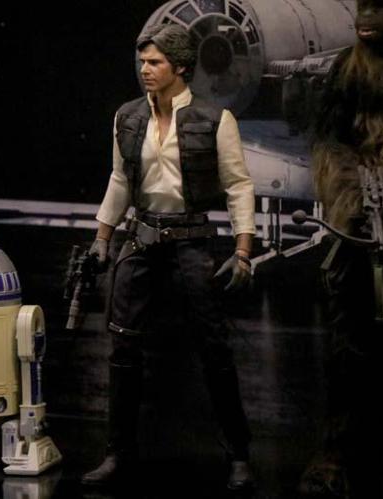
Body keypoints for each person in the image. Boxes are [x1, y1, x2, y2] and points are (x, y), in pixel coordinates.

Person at [80, 24, 256, 490]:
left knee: (214, 347)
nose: (145, 70)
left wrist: (243, 250)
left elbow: (238, 185)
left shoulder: (214, 119)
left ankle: (239, 455)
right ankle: (118, 453)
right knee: (123, 348)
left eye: (155, 62)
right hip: (141, 237)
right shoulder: (128, 117)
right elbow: (120, 179)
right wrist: (102, 238)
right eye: (142, 62)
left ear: (180, 66)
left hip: (191, 239)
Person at [301, 0, 383, 496]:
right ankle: (335, 455)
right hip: (358, 217)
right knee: (347, 342)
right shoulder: (345, 70)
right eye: (364, 5)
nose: (368, 15)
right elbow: (329, 141)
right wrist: (352, 198)